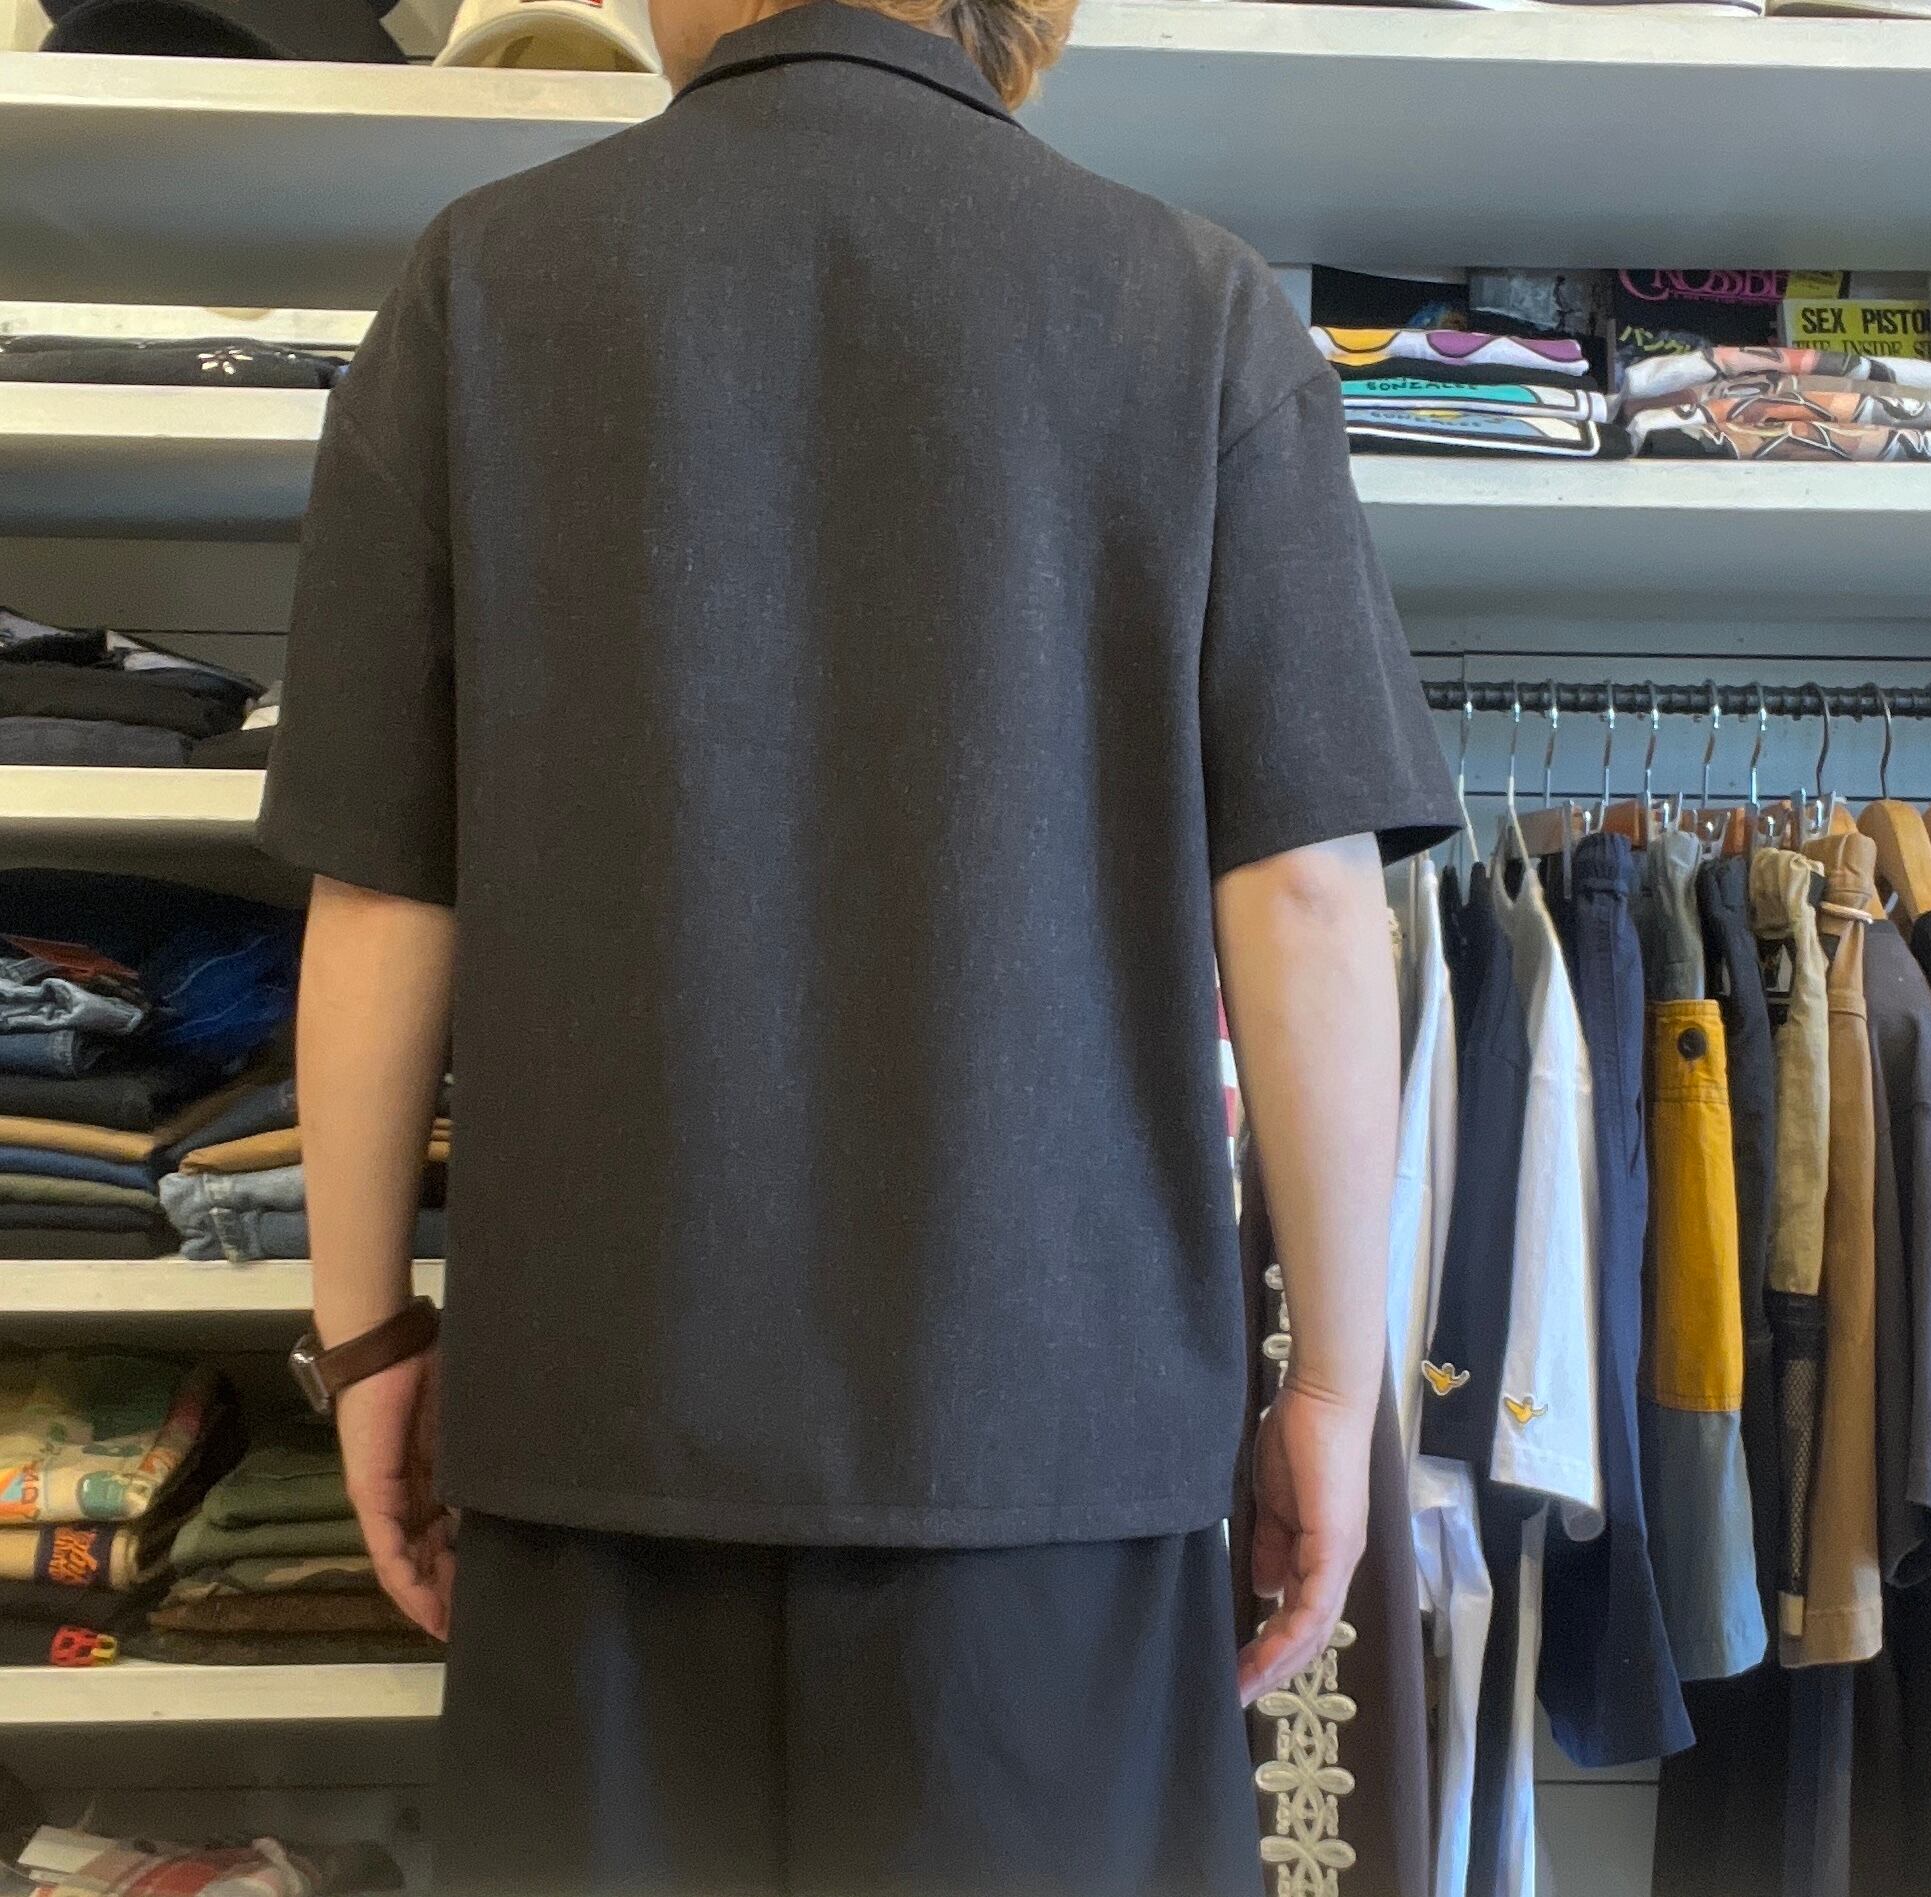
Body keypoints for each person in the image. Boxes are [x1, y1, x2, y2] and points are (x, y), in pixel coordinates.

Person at [259, 0, 1458, 1888]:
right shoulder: (1193, 308)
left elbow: (383, 889)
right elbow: (1308, 896)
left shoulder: (478, 290)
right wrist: (1329, 1387)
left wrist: (368, 1336)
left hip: (598, 1439)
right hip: (1052, 1465)